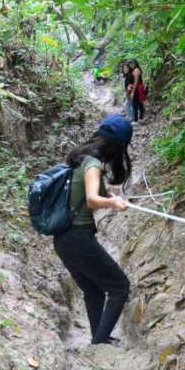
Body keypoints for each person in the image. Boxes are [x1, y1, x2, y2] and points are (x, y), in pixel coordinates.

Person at [54, 114, 133, 346]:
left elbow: (84, 193)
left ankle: (99, 340)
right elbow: (90, 199)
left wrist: (110, 197)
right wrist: (112, 203)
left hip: (64, 239)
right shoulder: (93, 164)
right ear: (117, 145)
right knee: (120, 287)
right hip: (79, 238)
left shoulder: (80, 159)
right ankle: (99, 342)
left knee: (93, 289)